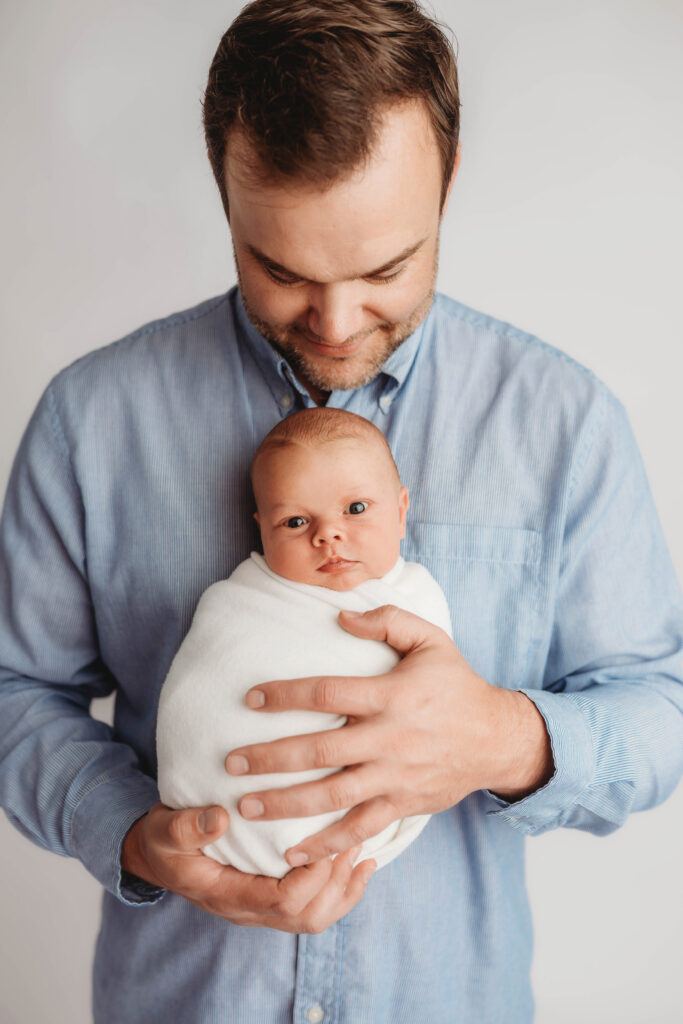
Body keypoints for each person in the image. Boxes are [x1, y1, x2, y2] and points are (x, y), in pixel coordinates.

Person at [0, 1, 681, 1021]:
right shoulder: (93, 421)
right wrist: (135, 836)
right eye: (279, 270)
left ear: (447, 184)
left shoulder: (561, 422)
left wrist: (500, 736)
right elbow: (15, 691)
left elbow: (657, 708)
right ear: (225, 194)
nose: (332, 321)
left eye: (384, 270)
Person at [156, 407, 453, 878]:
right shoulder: (247, 599)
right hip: (214, 820)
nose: (328, 534)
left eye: (356, 509)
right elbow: (204, 689)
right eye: (295, 522)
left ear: (401, 512)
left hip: (360, 829)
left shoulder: (416, 596)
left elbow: (445, 708)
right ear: (261, 528)